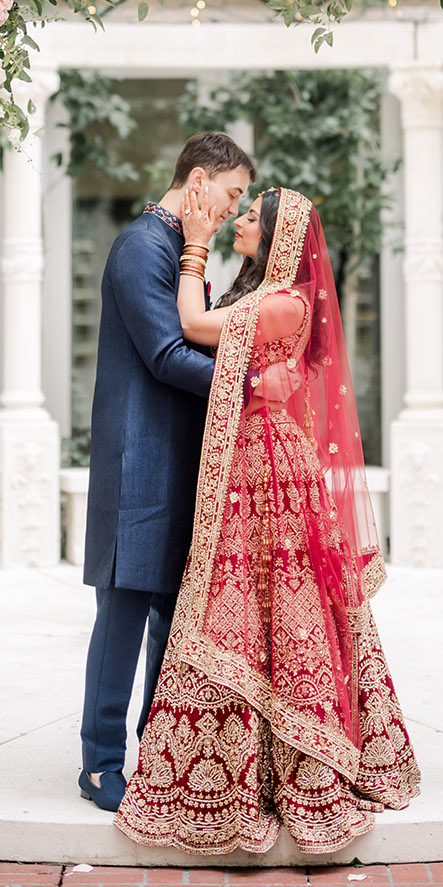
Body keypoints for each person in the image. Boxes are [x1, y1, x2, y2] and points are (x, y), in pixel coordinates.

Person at [116, 186, 420, 853]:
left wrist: (194, 244)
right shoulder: (261, 295)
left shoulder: (284, 303)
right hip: (245, 460)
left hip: (270, 466)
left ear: (282, 236)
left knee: (278, 605)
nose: (242, 223)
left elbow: (193, 327)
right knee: (245, 604)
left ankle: (300, 765)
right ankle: (241, 766)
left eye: (253, 217)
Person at [78, 132, 256, 812]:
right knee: (122, 617)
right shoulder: (141, 247)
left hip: (175, 461)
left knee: (169, 622)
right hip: (137, 465)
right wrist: (253, 383)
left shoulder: (181, 251)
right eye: (232, 192)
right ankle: (99, 763)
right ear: (200, 180)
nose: (233, 205)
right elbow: (163, 354)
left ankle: (157, 755)